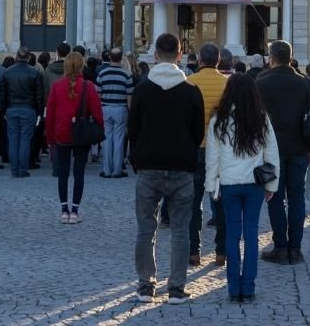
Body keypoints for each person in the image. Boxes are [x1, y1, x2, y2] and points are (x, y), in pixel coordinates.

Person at [128, 33, 206, 305]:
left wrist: (137, 158)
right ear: (180, 55)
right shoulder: (191, 91)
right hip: (182, 167)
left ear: (155, 55)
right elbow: (198, 133)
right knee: (181, 230)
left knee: (146, 229)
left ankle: (145, 286)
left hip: (149, 166)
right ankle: (176, 288)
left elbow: (133, 130)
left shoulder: (142, 90)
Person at [205, 73, 279, 303]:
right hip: (254, 185)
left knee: (232, 235)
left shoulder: (219, 118)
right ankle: (248, 288)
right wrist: (272, 184)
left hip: (228, 184)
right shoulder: (260, 117)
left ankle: (233, 288)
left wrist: (211, 186)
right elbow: (271, 153)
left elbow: (212, 157)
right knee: (252, 235)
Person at [256, 40, 310, 265]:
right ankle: (296, 248)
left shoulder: (261, 83)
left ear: (271, 58)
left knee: (273, 197)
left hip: (269, 151)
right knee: (297, 198)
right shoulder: (305, 84)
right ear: (290, 57)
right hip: (300, 148)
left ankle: (280, 247)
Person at [45, 52, 104, 224]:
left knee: (63, 173)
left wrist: (49, 138)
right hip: (81, 134)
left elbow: (51, 113)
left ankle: (64, 210)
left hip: (61, 133)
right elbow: (97, 112)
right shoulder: (88, 86)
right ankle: (75, 210)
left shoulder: (57, 86)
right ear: (81, 66)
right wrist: (99, 130)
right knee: (79, 173)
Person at [187, 43, 229, 266]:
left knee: (193, 202)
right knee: (220, 201)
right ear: (219, 61)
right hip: (220, 150)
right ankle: (221, 251)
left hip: (194, 148)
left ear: (200, 60)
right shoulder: (227, 85)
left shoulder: (189, 82)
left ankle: (193, 251)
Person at [2, 48, 44, 178]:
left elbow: (2, 94)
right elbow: (39, 96)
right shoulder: (34, 72)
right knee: (25, 140)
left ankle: (14, 169)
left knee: (13, 140)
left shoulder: (8, 72)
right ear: (29, 58)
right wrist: (39, 112)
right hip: (28, 109)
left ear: (16, 56)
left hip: (12, 108)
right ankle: (22, 169)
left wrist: (4, 109)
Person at [96, 47, 134, 178]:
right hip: (120, 108)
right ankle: (117, 170)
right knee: (118, 140)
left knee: (106, 138)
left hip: (105, 108)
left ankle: (107, 170)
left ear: (110, 58)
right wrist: (130, 111)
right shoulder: (127, 75)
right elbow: (130, 96)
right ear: (121, 58)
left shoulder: (102, 74)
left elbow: (98, 94)